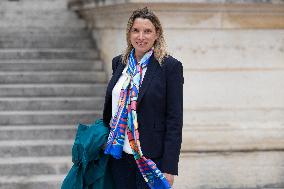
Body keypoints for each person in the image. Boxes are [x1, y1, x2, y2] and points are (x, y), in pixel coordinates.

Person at [102, 7, 183, 189]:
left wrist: (169, 168)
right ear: (129, 33)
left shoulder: (169, 67)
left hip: (150, 159)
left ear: (157, 34)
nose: (141, 37)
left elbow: (174, 120)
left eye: (147, 31)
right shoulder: (119, 63)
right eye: (136, 30)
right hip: (118, 156)